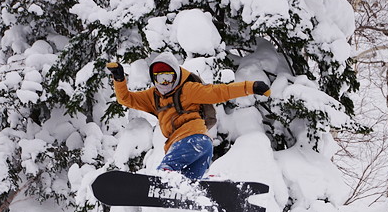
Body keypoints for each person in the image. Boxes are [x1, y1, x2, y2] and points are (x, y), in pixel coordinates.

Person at [106, 52, 270, 180]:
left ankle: (163, 179)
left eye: (168, 78)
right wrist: (119, 79)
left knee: (165, 175)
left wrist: (251, 86)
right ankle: (211, 190)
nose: (164, 83)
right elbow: (126, 99)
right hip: (202, 147)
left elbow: (219, 92)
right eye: (159, 79)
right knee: (186, 187)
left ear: (176, 75)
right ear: (154, 79)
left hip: (191, 140)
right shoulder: (152, 96)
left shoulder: (188, 89)